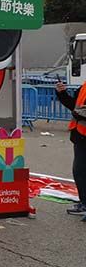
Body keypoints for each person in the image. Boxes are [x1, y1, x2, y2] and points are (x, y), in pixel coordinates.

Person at [54, 79, 86, 219]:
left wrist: (80, 113)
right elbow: (74, 105)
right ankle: (83, 202)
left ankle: (84, 204)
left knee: (80, 170)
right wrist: (62, 93)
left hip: (83, 134)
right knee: (80, 171)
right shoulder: (84, 86)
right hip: (80, 135)